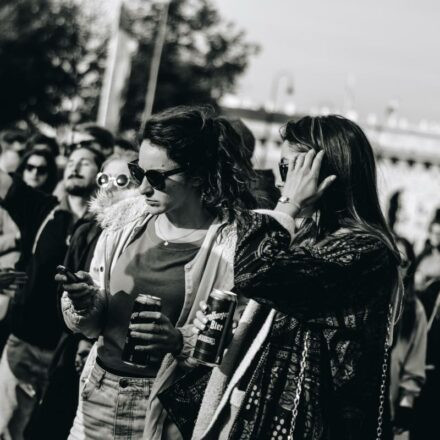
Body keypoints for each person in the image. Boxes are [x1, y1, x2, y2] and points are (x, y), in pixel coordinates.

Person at [57, 106, 288, 440]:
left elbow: (230, 341)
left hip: (161, 408)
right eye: (139, 172)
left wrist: (178, 340)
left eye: (157, 177)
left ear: (196, 174)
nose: (142, 189)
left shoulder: (229, 243)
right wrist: (83, 301)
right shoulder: (122, 221)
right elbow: (92, 326)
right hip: (96, 392)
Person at [192, 115, 402, 440]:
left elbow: (258, 273)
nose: (282, 182)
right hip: (266, 412)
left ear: (329, 172)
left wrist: (287, 205)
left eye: (291, 170)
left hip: (311, 425)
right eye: (282, 169)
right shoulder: (310, 235)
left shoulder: (365, 250)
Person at [25, 151, 138, 440]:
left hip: (117, 363)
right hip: (71, 352)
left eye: (122, 179)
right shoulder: (87, 231)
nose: (111, 185)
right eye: (105, 178)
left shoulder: (143, 237)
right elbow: (63, 297)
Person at [0, 145, 103, 440]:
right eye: (71, 161)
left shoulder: (109, 226)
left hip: (68, 358)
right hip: (24, 345)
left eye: (85, 162)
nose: (76, 166)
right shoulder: (44, 209)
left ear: (101, 174)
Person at [390, 237, 427, 438]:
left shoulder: (414, 310)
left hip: (391, 410)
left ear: (409, 267)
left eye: (402, 264)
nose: (396, 269)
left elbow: (413, 370)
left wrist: (405, 409)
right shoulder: (365, 300)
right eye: (391, 260)